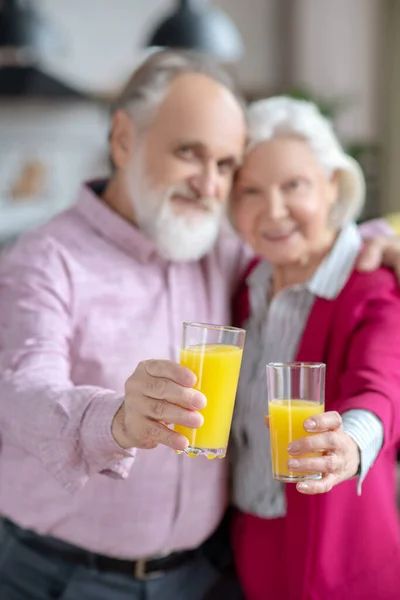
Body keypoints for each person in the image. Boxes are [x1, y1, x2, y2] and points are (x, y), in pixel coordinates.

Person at [0, 50, 398, 600]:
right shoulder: (44, 258)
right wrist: (116, 420)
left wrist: (385, 237)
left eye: (226, 165)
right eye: (190, 153)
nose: (210, 185)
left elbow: (301, 237)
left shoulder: (218, 247)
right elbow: (22, 389)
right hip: (66, 577)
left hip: (206, 576)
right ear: (123, 140)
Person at [230, 97, 400, 600]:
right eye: (251, 191)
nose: (273, 210)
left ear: (333, 185)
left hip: (339, 555)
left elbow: (381, 385)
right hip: (250, 537)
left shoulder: (369, 280)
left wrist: (347, 443)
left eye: (293, 186)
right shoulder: (247, 282)